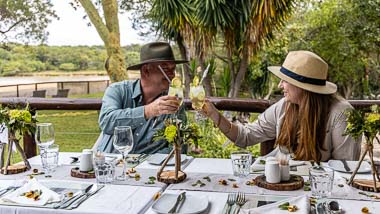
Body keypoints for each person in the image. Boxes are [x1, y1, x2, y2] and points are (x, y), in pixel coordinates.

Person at [199, 50, 361, 161]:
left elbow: (344, 169)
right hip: (281, 183)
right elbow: (246, 136)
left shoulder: (341, 113)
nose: (279, 85)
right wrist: (215, 115)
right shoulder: (285, 106)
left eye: (285, 80)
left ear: (303, 86)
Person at [97, 42, 187, 154]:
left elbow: (179, 144)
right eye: (165, 68)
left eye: (173, 69)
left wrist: (153, 162)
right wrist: (149, 111)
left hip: (150, 169)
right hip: (110, 165)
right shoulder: (118, 90)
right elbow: (106, 122)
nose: (172, 75)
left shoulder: (173, 102)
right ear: (146, 71)